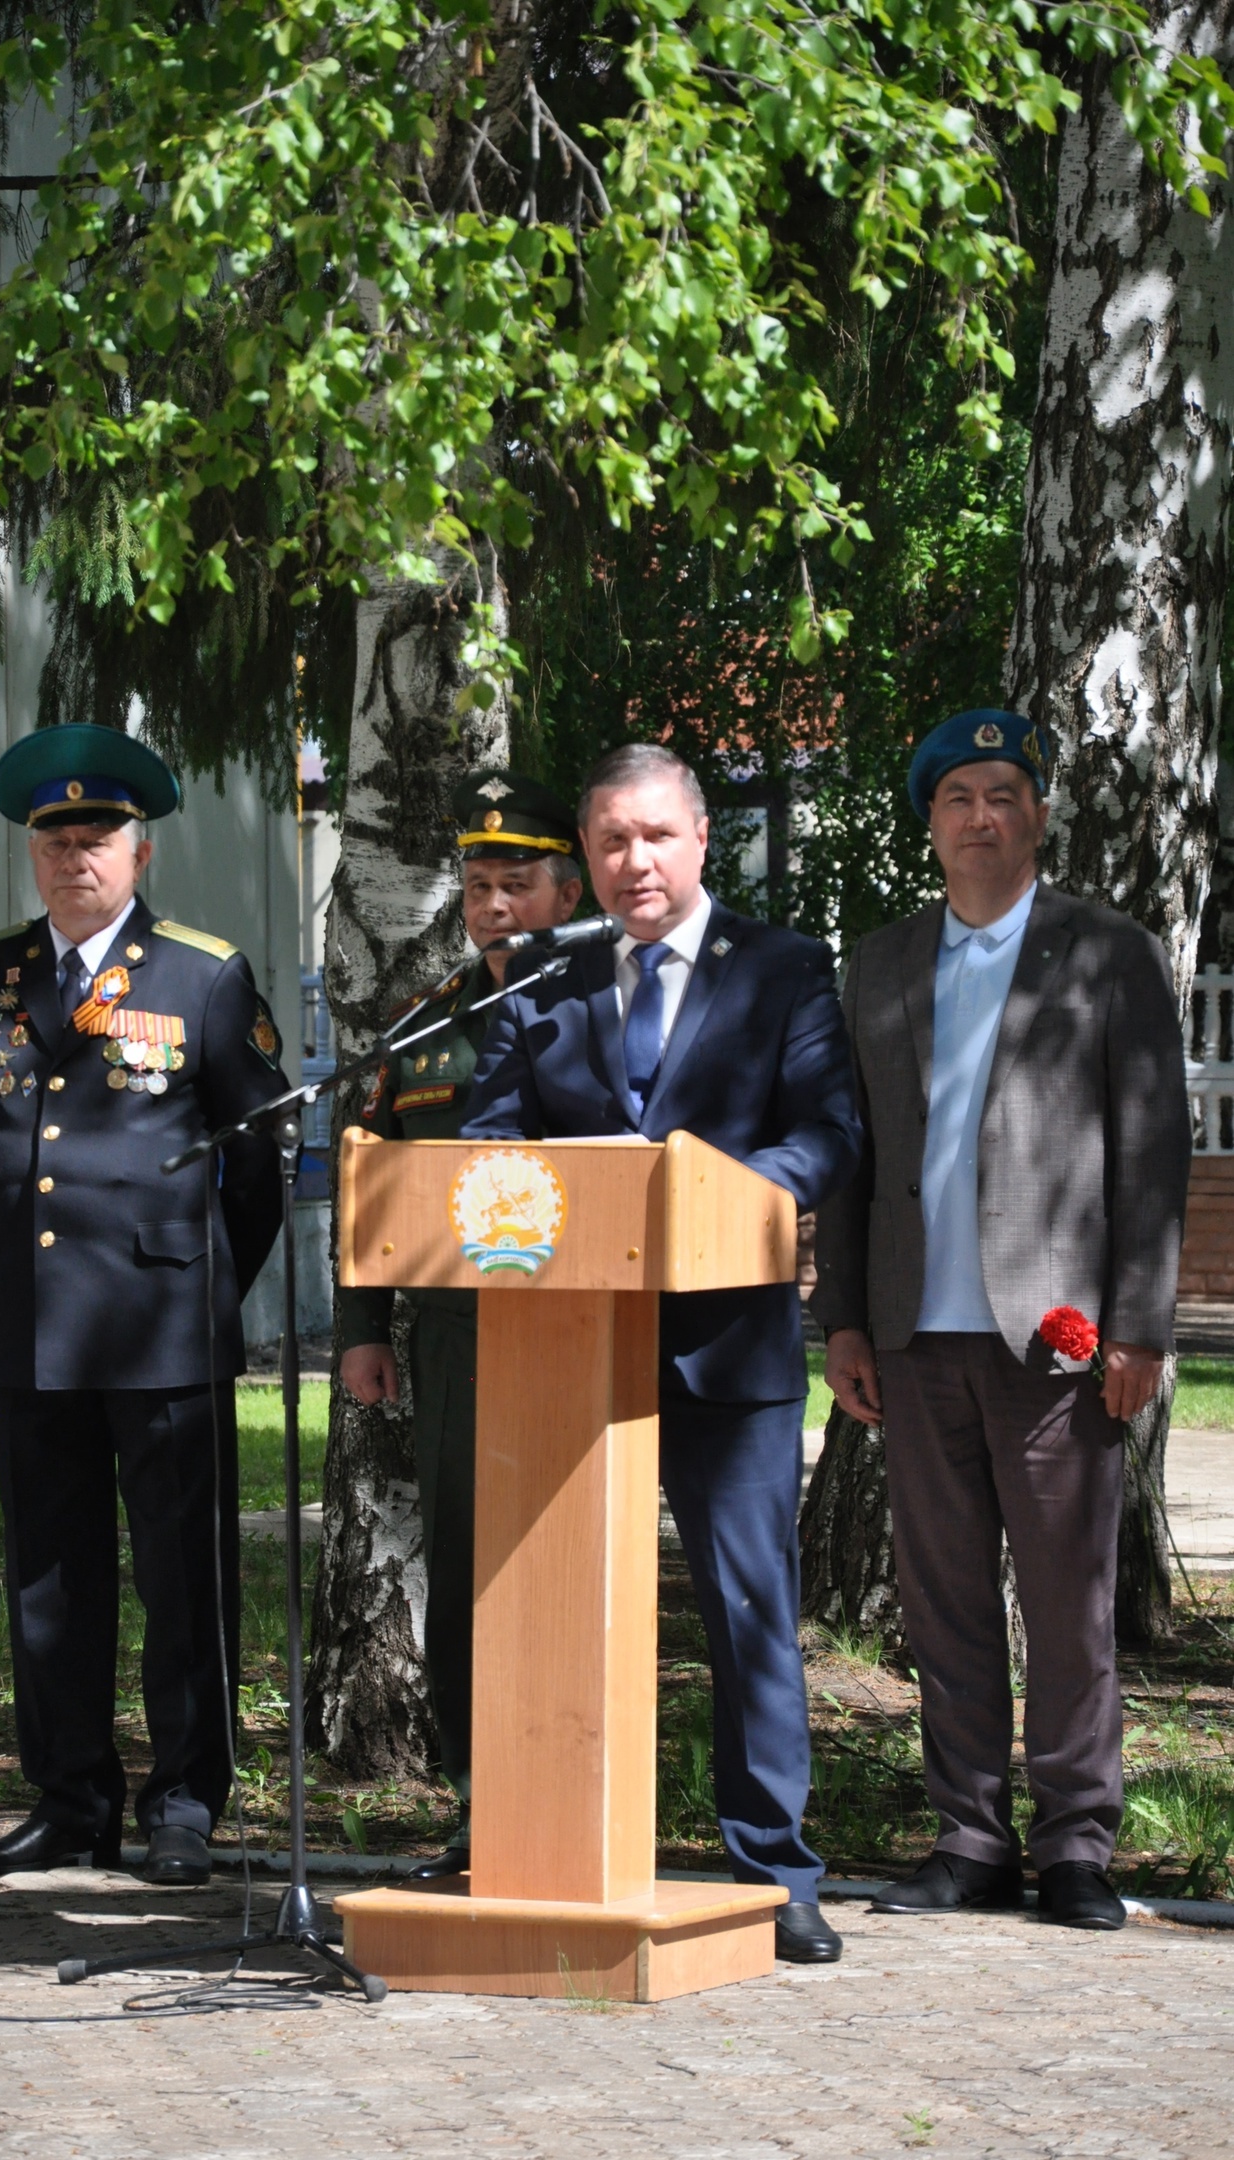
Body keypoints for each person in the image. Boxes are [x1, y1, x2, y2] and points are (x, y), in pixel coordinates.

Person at [463, 742, 863, 1963]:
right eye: (611, 841)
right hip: (564, 1348)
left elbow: (829, 1133)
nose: (634, 861)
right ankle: (544, 1849)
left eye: (655, 836)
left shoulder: (784, 968)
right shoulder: (545, 974)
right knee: (543, 1603)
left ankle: (775, 1871)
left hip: (723, 1346)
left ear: (700, 840)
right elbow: (492, 1130)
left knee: (748, 1609)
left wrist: (713, 1191)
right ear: (588, 858)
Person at [812, 709, 1190, 1932]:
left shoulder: (1108, 952)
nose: (982, 816)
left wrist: (1139, 1326)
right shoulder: (880, 963)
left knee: (1070, 1602)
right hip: (914, 1335)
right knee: (945, 1601)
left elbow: (1151, 1148)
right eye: (959, 797)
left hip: (1060, 1340)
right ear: (930, 822)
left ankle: (1076, 1845)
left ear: (1038, 815)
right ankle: (970, 1839)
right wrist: (843, 1319)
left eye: (1004, 795)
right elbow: (852, 1154)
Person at [0, 724, 285, 1885]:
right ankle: (70, 1800)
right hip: (31, 1320)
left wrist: (194, 1278)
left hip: (163, 1326)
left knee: (182, 1577)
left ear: (140, 852)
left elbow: (255, 1164)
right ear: (32, 853)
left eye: (96, 839)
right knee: (48, 1576)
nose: (73, 858)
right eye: (54, 840)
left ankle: (185, 1801)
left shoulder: (203, 975)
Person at [337, 769, 582, 1877]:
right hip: (457, 1337)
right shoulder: (427, 1026)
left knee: (571, 1567)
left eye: (517, 884)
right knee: (465, 1566)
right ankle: (482, 1801)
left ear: (566, 893)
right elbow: (374, 1185)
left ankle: (575, 1789)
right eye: (479, 886)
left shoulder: (611, 1009)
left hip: (585, 1336)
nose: (494, 905)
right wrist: (363, 1325)